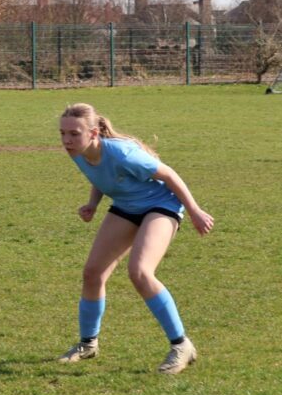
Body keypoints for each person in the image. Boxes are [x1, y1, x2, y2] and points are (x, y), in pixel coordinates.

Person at [57, 103, 213, 374]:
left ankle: (181, 345)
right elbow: (100, 176)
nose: (67, 140)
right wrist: (92, 203)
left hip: (161, 206)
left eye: (74, 134)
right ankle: (88, 344)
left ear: (93, 133)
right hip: (126, 207)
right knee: (93, 273)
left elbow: (168, 174)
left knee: (140, 272)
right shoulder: (79, 153)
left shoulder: (122, 153)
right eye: (63, 133)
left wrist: (195, 210)